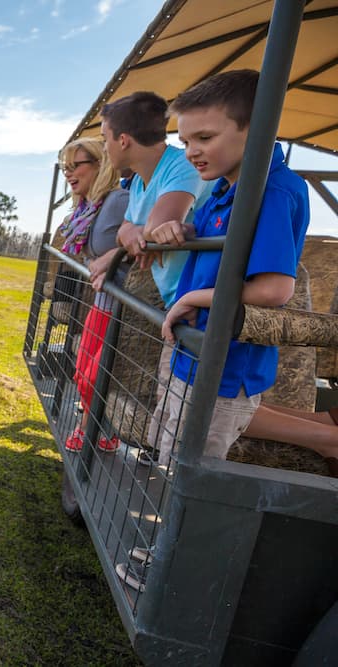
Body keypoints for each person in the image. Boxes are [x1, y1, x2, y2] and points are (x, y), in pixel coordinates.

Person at [118, 69, 311, 592]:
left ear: (260, 129)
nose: (193, 152)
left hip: (223, 368)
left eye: (204, 138)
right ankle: (166, 551)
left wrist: (193, 298)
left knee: (196, 472)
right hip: (191, 352)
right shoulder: (225, 189)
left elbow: (274, 289)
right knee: (175, 457)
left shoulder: (272, 190)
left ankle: (177, 576)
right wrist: (177, 230)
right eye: (185, 141)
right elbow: (211, 250)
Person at [98, 91, 212, 465]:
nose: (105, 147)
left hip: (198, 297)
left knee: (196, 394)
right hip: (177, 297)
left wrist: (136, 234)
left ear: (123, 140)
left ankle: (323, 431)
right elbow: (132, 229)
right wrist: (130, 236)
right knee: (174, 386)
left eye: (104, 138)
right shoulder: (142, 181)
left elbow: (159, 225)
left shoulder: (179, 166)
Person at [54, 137, 130, 452]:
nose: (69, 174)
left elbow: (143, 238)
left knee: (94, 376)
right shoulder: (88, 209)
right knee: (83, 371)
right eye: (64, 168)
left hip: (122, 308)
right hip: (99, 305)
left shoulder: (120, 199)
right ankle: (104, 430)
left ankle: (90, 429)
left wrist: (113, 255)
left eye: (76, 166)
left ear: (100, 165)